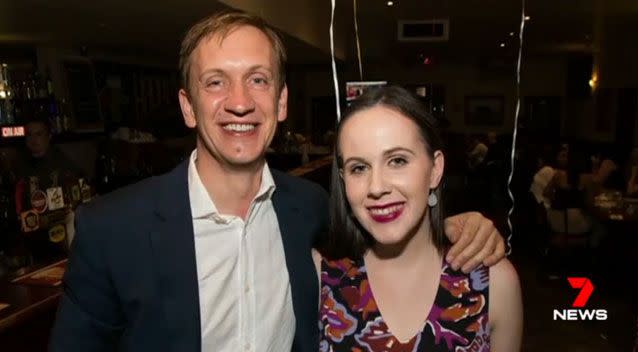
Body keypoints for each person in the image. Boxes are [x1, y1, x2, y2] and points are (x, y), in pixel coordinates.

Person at [50, 11, 505, 352]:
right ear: (188, 107)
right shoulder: (112, 230)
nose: (240, 102)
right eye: (216, 83)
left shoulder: (312, 208)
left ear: (282, 101)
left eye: (258, 80)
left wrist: (457, 225)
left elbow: (393, 227)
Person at [314, 86, 522, 351]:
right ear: (344, 181)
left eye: (398, 161)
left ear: (435, 169)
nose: (376, 187)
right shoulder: (321, 279)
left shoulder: (494, 284)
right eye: (359, 167)